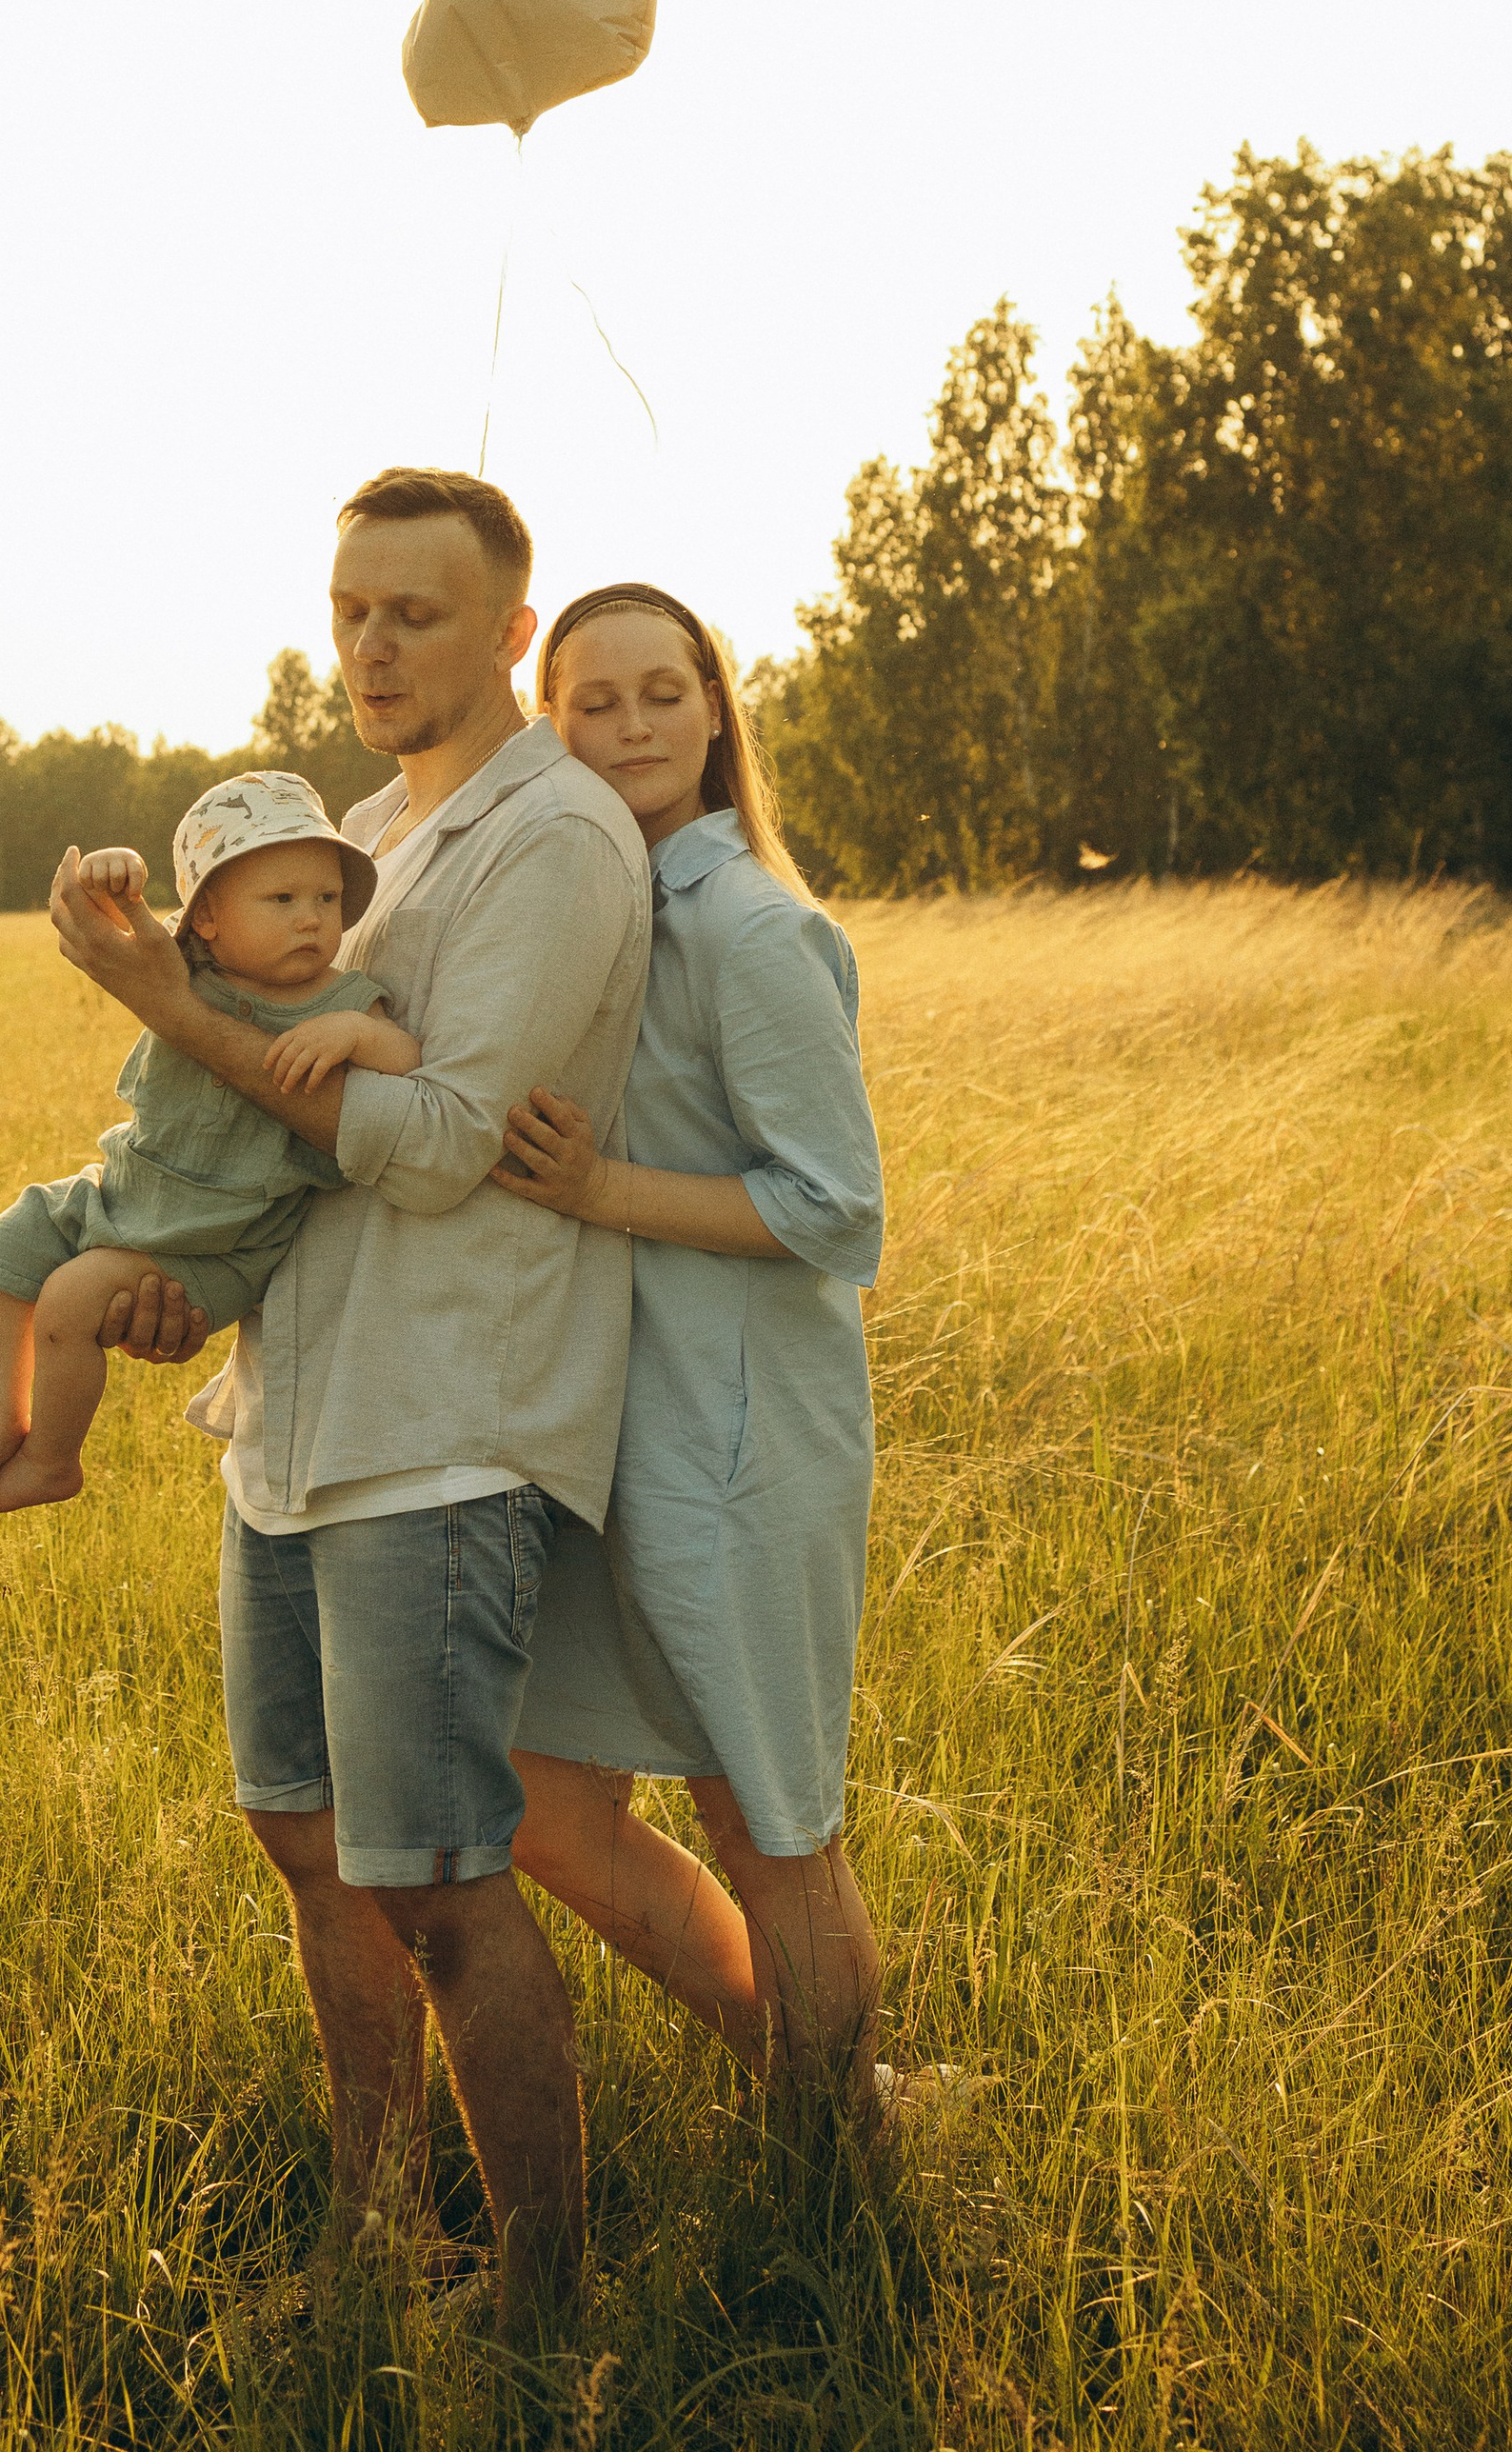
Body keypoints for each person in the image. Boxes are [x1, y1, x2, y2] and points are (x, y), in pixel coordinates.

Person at [48, 469, 651, 2325]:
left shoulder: (555, 839)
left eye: (415, 613)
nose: (372, 648)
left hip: (441, 1435)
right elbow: (268, 1147)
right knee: (309, 1852)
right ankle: (379, 2244)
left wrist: (166, 1003)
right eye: (349, 612)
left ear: (510, 632)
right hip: (289, 1426)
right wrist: (183, 1287)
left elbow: (439, 1144)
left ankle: (543, 2312)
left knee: (444, 1884)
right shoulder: (360, 837)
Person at [492, 580, 890, 2120]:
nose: (634, 725)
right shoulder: (598, 909)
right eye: (595, 701)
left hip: (742, 1441)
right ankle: (802, 2078)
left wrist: (602, 1191)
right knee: (535, 1794)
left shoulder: (753, 927)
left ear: (716, 710)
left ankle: (834, 2161)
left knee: (770, 1826)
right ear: (552, 726)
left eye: (664, 692)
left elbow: (835, 1207)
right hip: (606, 1431)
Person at [0, 773, 418, 1512]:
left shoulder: (344, 1000)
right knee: (12, 1239)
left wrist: (356, 1034)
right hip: (126, 1192)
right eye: (282, 900)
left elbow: (408, 1062)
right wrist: (117, 874)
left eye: (327, 898)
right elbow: (119, 925)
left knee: (70, 1298)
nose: (311, 919)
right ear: (209, 918)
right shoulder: (183, 973)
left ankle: (54, 1459)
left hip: (219, 1245)